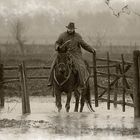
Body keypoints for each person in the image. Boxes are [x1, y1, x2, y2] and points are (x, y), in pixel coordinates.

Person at [48, 22, 96, 87]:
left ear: (74, 29)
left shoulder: (78, 36)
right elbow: (57, 43)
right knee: (53, 65)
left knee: (81, 67)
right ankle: (50, 81)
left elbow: (84, 45)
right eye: (69, 28)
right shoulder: (62, 35)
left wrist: (91, 49)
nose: (70, 30)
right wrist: (58, 47)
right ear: (67, 28)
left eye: (72, 29)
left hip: (76, 55)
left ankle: (82, 82)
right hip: (63, 54)